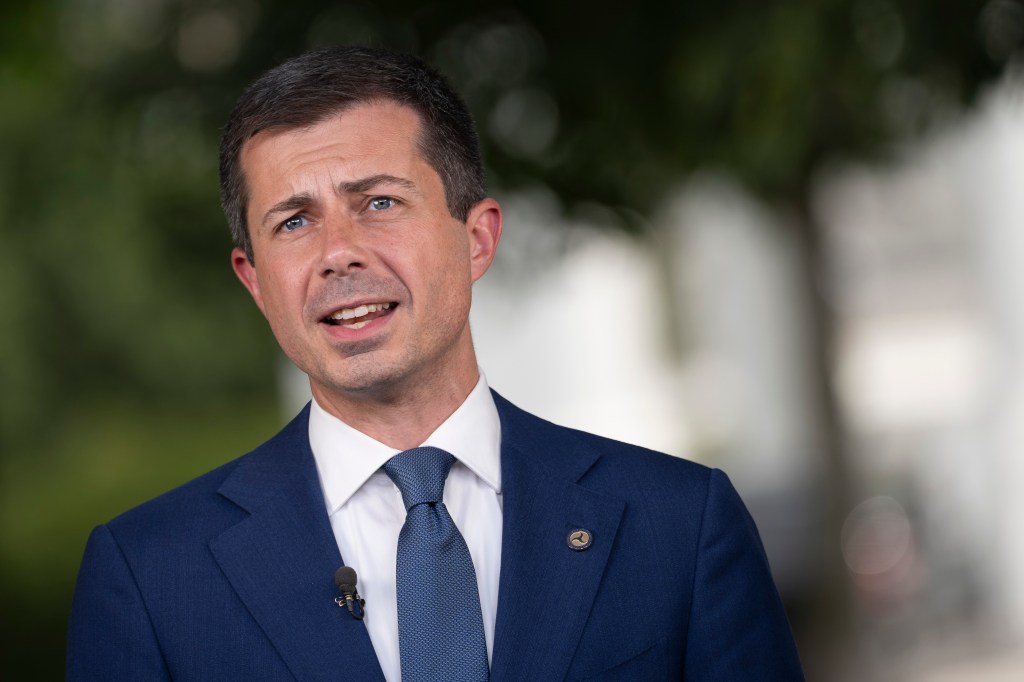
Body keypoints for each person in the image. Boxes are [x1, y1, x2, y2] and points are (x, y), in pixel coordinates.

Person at [67, 46, 804, 681]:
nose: (337, 253)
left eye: (380, 203)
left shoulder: (677, 524)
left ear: (477, 238)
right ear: (255, 281)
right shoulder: (151, 575)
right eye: (294, 222)